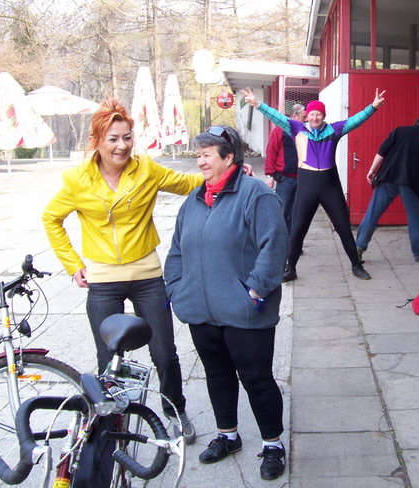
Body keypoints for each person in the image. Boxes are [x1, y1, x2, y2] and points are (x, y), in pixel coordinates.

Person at [42, 97, 202, 444]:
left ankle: (176, 409)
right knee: (108, 358)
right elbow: (51, 219)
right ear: (97, 141)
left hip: (147, 275)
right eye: (113, 138)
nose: (122, 146)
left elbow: (187, 184)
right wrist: (72, 264)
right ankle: (115, 422)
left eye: (127, 137)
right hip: (103, 280)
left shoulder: (146, 169)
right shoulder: (77, 179)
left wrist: (223, 173)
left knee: (164, 353)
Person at [163, 125, 288, 481]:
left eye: (206, 154)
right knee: (217, 375)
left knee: (257, 380)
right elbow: (177, 249)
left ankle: (273, 444)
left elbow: (274, 246)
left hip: (245, 311)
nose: (200, 161)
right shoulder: (194, 199)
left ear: (228, 157)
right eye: (198, 154)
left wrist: (254, 291)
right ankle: (228, 436)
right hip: (201, 311)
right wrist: (177, 288)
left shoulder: (256, 195)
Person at [240, 86, 386, 282]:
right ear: (306, 116)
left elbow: (355, 120)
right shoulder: (296, 128)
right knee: (297, 229)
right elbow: (276, 116)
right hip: (306, 187)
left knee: (343, 227)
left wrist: (373, 107)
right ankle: (291, 269)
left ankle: (356, 266)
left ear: (323, 116)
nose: (315, 117)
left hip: (330, 187)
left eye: (319, 114)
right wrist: (257, 103)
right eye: (312, 114)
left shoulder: (334, 130)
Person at [355, 117, 419, 262]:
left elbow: (382, 151)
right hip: (412, 184)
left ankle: (359, 247)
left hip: (388, 178)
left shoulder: (399, 131)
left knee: (373, 213)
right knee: (415, 217)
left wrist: (372, 170)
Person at [264, 103, 306, 235]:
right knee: (282, 211)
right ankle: (279, 240)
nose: (305, 120)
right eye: (303, 117)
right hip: (285, 178)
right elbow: (271, 151)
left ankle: (291, 241)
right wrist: (269, 175)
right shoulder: (280, 130)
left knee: (296, 213)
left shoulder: (305, 130)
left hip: (301, 177)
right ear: (295, 115)